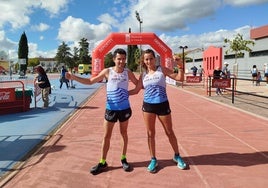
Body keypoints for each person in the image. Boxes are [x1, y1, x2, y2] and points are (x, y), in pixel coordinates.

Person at [65, 48, 138, 175]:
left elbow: (138, 85)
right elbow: (90, 81)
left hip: (124, 109)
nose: (121, 61)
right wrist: (73, 77)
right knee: (106, 136)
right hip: (111, 109)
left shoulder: (128, 72)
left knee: (124, 134)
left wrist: (128, 93)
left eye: (123, 59)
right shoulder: (107, 71)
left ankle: (123, 159)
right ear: (114, 59)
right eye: (119, 59)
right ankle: (103, 161)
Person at [129, 49, 187, 173]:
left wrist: (181, 66)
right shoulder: (143, 74)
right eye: (146, 59)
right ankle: (153, 159)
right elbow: (136, 90)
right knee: (150, 134)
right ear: (144, 61)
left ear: (155, 59)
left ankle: (177, 156)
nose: (149, 61)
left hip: (162, 105)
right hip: (148, 107)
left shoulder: (162, 70)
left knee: (169, 132)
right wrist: (122, 93)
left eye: (151, 58)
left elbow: (180, 78)